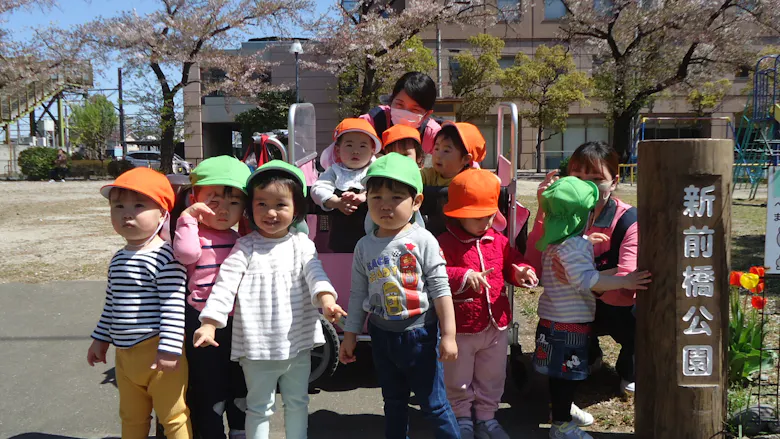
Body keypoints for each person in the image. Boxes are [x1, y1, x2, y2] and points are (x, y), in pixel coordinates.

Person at [193, 160, 346, 439]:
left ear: (296, 209)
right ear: (251, 208)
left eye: (280, 204)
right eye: (261, 204)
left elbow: (316, 274)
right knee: (259, 407)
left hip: (297, 344)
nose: (270, 212)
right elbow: (225, 285)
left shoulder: (302, 245)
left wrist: (326, 299)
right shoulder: (245, 246)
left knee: (298, 403)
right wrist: (210, 323)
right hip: (256, 348)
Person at [339, 153, 460, 439]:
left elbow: (441, 289)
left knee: (434, 405)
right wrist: (350, 334)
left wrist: (449, 335)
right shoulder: (364, 246)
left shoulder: (422, 240)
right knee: (393, 403)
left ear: (416, 201)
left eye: (396, 197)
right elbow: (358, 294)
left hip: (420, 335)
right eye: (376, 196)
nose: (385, 205)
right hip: (381, 336)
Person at [532, 176, 651, 439]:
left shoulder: (556, 241)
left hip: (552, 319)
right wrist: (625, 280)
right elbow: (587, 279)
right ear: (579, 217)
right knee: (568, 377)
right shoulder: (572, 246)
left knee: (559, 375)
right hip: (569, 325)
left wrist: (586, 241)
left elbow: (571, 253)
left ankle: (561, 411)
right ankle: (561, 425)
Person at [526, 141, 639, 395]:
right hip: (578, 305)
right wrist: (545, 210)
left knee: (631, 317)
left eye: (597, 178)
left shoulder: (628, 221)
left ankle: (630, 366)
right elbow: (535, 268)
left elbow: (624, 286)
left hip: (614, 306)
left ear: (614, 182)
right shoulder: (563, 216)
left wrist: (578, 278)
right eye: (577, 176)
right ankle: (589, 355)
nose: (586, 184)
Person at [86, 167, 192, 439]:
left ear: (162, 214)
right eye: (118, 206)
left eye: (139, 205)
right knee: (131, 417)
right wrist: (100, 339)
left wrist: (169, 348)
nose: (127, 213)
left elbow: (173, 305)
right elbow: (111, 303)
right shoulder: (119, 258)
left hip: (158, 350)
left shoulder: (165, 258)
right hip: (125, 357)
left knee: (174, 416)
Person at [437, 169, 538, 439]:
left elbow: (511, 262)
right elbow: (435, 274)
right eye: (478, 217)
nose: (485, 222)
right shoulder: (444, 243)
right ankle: (461, 417)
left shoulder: (499, 240)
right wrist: (464, 275)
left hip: (496, 323)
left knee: (492, 376)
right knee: (457, 377)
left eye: (490, 216)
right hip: (461, 325)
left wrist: (521, 271)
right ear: (458, 214)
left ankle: (486, 417)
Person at [173, 156, 251, 439]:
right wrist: (187, 218)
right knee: (208, 382)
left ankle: (241, 430)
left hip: (238, 320)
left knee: (239, 379)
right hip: (201, 319)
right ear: (195, 199)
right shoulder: (194, 234)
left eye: (234, 202)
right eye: (213, 200)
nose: (223, 210)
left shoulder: (241, 237)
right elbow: (186, 254)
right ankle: (211, 431)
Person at [320, 72, 441, 168]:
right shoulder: (371, 122)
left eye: (414, 110)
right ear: (391, 101)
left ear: (426, 115)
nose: (405, 111)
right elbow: (336, 155)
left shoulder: (431, 133)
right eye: (399, 104)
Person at [311, 118, 382, 252]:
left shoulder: (376, 170)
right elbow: (318, 189)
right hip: (341, 235)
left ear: (373, 150)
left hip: (373, 235)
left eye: (362, 146)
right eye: (349, 145)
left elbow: (382, 189)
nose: (355, 151)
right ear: (337, 150)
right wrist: (336, 201)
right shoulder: (334, 171)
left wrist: (364, 196)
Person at [422, 121, 486, 187]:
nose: (438, 156)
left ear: (465, 159)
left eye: (446, 151)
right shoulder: (429, 175)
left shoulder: (471, 182)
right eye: (436, 148)